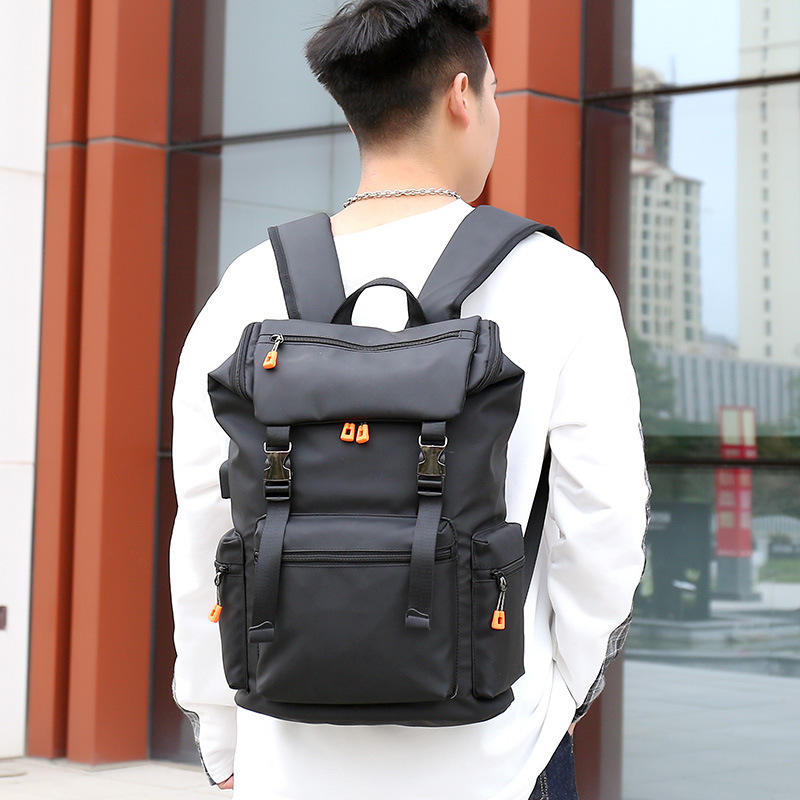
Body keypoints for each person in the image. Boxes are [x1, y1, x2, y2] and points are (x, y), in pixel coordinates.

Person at [168, 1, 650, 798]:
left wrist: (222, 735)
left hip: (288, 759)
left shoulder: (247, 288)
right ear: (462, 95)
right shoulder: (558, 283)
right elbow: (603, 524)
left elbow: (206, 527)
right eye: (495, 94)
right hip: (497, 756)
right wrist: (560, 696)